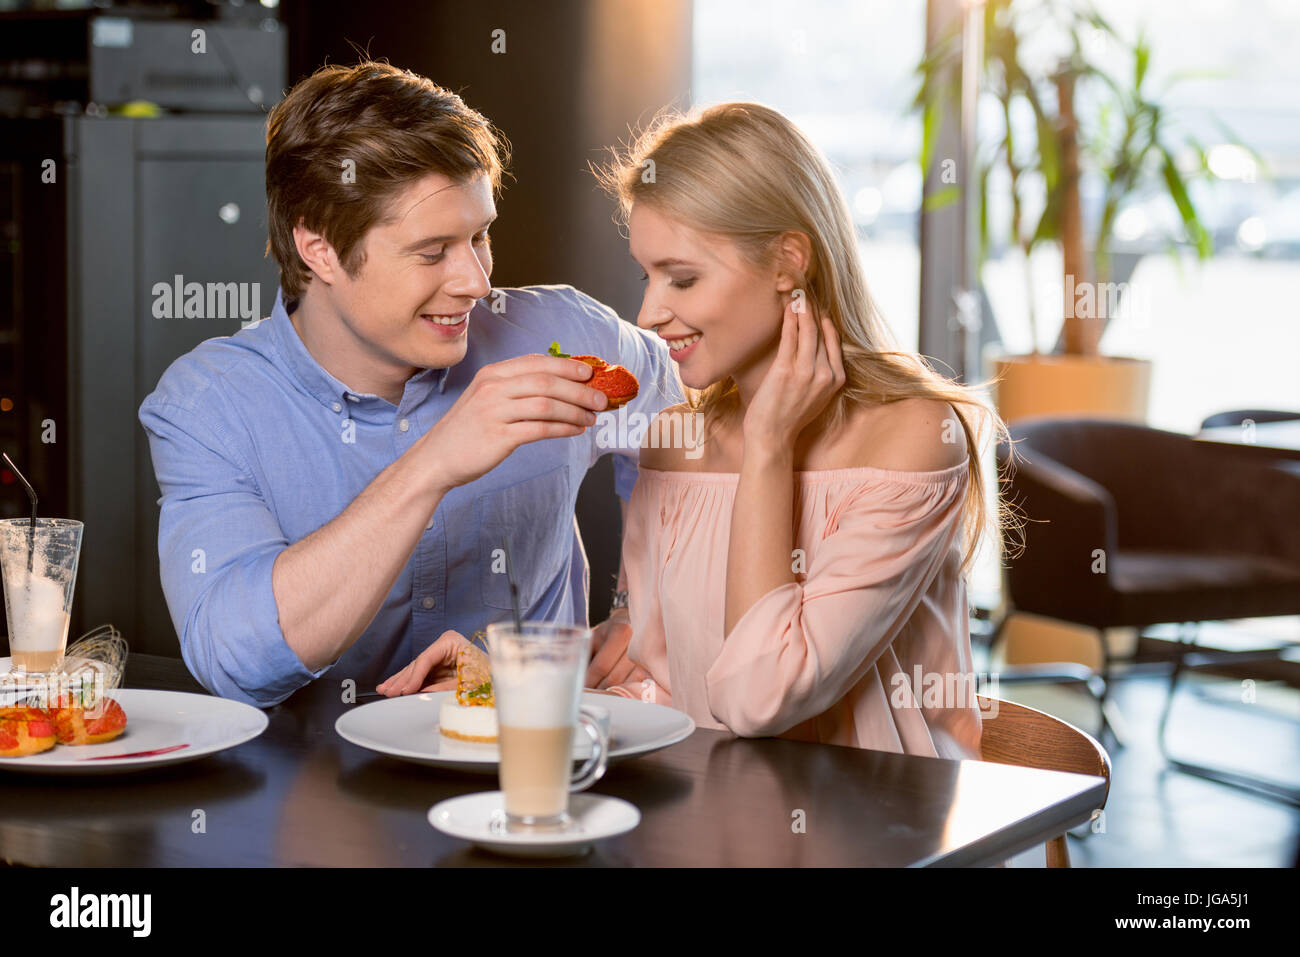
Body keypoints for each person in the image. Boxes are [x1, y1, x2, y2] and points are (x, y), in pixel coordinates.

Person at [138, 61, 681, 708]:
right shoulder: (209, 405)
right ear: (320, 250)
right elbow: (235, 661)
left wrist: (643, 604)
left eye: (481, 236)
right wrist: (434, 463)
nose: (476, 282)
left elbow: (693, 417)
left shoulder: (560, 330)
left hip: (537, 774)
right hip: (319, 793)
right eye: (432, 252)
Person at [586, 102, 1022, 760]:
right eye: (647, 275)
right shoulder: (673, 442)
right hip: (710, 831)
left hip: (882, 837)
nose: (650, 312)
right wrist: (510, 685)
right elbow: (657, 683)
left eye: (683, 278)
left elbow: (761, 696)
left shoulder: (914, 437)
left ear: (789, 262)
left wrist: (767, 448)